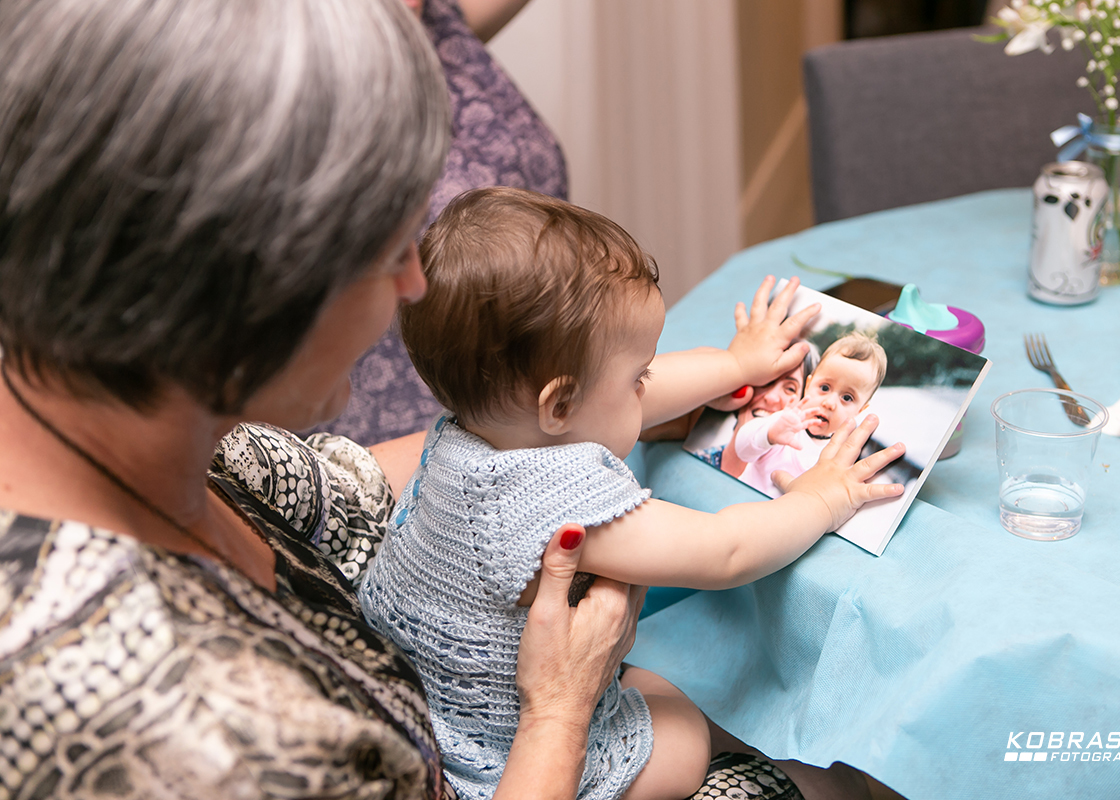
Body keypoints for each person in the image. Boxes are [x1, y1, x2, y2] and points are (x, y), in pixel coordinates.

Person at [0, 2, 647, 797]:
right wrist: (560, 708)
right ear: (248, 287)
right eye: (389, 251)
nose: (414, 283)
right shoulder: (207, 736)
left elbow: (345, 484)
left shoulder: (112, 411)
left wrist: (605, 402)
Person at [358, 187, 907, 800]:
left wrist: (734, 366)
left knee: (657, 683)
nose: (648, 385)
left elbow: (634, 393)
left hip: (441, 711)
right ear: (559, 405)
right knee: (683, 729)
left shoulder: (462, 437)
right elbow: (724, 550)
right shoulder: (550, 503)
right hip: (501, 760)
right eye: (638, 376)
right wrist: (821, 500)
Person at [315, 0, 568, 446]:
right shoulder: (288, 82)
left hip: (545, 408)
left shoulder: (431, 21)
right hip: (406, 456)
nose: (412, 281)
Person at [727, 332, 888, 498]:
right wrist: (769, 435)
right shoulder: (785, 423)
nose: (829, 403)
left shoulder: (838, 459)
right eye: (824, 388)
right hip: (741, 501)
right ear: (808, 385)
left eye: (847, 398)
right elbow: (742, 450)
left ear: (860, 410)